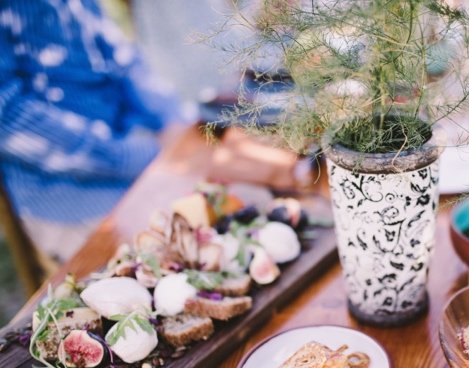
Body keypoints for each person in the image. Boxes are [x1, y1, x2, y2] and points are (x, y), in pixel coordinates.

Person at [0, 0, 299, 263]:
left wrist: (173, 123)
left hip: (138, 153)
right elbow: (7, 115)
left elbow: (119, 56)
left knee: (264, 209)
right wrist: (141, 157)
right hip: (74, 193)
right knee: (195, 261)